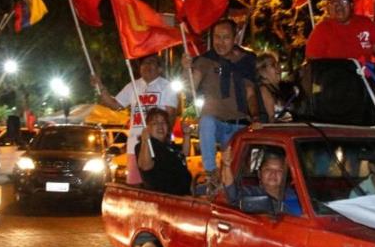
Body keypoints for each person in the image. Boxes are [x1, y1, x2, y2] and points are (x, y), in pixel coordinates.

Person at [184, 18, 260, 184]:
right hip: (215, 124)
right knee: (207, 121)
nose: (220, 42)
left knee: (235, 173)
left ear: (235, 38)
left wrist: (255, 117)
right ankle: (210, 173)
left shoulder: (246, 60)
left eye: (225, 37)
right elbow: (190, 88)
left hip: (238, 125)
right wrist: (186, 69)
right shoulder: (204, 60)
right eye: (217, 37)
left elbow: (250, 93)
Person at [92, 55, 178, 186]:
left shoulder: (166, 87)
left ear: (160, 69)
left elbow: (170, 116)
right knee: (134, 185)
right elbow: (115, 104)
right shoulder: (133, 85)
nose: (147, 66)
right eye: (144, 64)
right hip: (134, 145)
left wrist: (163, 140)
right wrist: (100, 87)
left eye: (151, 62)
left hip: (157, 145)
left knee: (155, 185)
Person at [305, 0, 375, 64]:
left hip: (364, 74)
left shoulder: (365, 23)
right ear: (329, 8)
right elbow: (312, 61)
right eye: (333, 2)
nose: (338, 6)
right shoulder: (322, 30)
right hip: (335, 75)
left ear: (351, 5)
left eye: (343, 1)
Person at [222, 147, 301, 216]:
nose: (273, 174)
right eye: (268, 169)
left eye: (279, 171)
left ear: (285, 175)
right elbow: (232, 194)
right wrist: (227, 166)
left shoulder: (297, 196)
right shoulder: (252, 193)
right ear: (259, 174)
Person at [135, 108, 192, 196]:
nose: (160, 126)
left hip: (185, 195)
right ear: (148, 128)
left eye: (163, 122)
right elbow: (145, 166)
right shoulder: (145, 146)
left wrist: (187, 135)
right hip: (166, 199)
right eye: (155, 123)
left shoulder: (169, 146)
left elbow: (184, 153)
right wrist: (145, 141)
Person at [255, 52, 293, 123]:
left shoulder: (277, 90)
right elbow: (271, 119)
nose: (278, 68)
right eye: (273, 65)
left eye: (277, 64)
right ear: (262, 72)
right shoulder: (264, 91)